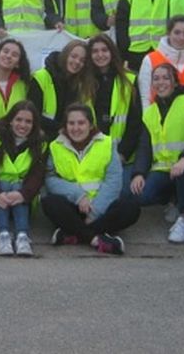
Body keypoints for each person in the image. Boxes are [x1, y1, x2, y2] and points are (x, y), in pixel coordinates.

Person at [43, 103, 141, 254]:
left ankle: (74, 234)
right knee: (49, 202)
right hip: (72, 205)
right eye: (71, 123)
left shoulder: (107, 144)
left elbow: (114, 181)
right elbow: (50, 179)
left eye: (81, 123)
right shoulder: (55, 146)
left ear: (90, 124)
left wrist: (94, 212)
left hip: (101, 207)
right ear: (65, 125)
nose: (76, 128)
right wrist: (78, 196)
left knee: (132, 207)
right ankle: (97, 239)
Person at [130, 64, 184, 243]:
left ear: (174, 81)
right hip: (164, 169)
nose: (160, 82)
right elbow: (144, 148)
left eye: (165, 78)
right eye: (156, 79)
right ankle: (173, 199)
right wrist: (139, 174)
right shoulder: (150, 112)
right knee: (140, 195)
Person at [0, 100, 46, 256]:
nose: (23, 125)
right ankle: (3, 235)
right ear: (10, 120)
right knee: (4, 183)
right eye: (18, 120)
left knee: (17, 186)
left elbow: (37, 175)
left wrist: (23, 194)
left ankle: (22, 236)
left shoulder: (41, 144)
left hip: (24, 196)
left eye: (28, 121)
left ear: (34, 124)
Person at [87, 34, 141, 163]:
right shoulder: (82, 82)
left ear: (112, 52)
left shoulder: (129, 80)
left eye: (104, 50)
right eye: (95, 51)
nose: (100, 55)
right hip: (90, 155)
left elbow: (135, 121)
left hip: (123, 155)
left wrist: (123, 153)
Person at [29, 39, 96, 138]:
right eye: (73, 56)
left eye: (82, 60)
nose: (77, 62)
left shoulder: (82, 85)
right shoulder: (41, 77)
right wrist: (62, 128)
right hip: (43, 140)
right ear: (65, 55)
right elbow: (32, 114)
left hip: (70, 140)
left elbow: (88, 117)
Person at [139, 15, 184, 111]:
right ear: (168, 33)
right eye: (177, 32)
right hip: (157, 118)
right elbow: (145, 97)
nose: (181, 37)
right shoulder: (150, 59)